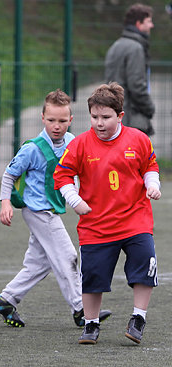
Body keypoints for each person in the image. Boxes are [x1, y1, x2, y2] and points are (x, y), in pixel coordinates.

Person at [0, 90, 111, 328]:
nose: (57, 126)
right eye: (52, 120)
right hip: (38, 212)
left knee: (39, 264)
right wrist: (5, 203)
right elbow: (8, 175)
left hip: (51, 210)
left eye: (62, 121)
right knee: (67, 256)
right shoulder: (32, 148)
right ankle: (80, 309)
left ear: (71, 120)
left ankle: (6, 299)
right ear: (42, 118)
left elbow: (78, 173)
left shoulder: (72, 142)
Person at [54, 82, 160, 345]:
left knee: (144, 264)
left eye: (106, 117)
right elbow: (63, 175)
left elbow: (150, 165)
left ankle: (138, 317)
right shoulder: (79, 144)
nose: (99, 123)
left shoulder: (138, 139)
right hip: (96, 224)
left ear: (120, 116)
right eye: (94, 117)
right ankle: (91, 325)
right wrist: (74, 199)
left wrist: (152, 184)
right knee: (92, 277)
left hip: (135, 219)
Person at [104, 3, 155, 136]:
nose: (152, 25)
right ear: (139, 24)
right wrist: (149, 108)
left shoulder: (116, 45)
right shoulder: (135, 48)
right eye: (149, 21)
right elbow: (137, 85)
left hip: (116, 116)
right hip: (132, 119)